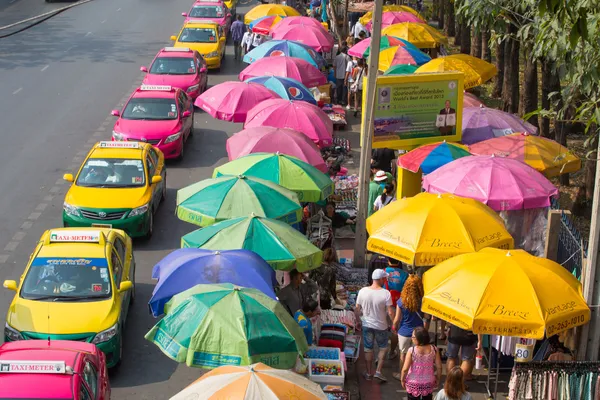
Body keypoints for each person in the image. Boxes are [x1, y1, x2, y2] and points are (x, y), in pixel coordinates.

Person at [355, 269, 395, 382]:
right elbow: (391, 312)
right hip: (381, 326)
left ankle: (368, 373)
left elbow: (357, 309)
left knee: (368, 348)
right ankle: (378, 372)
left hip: (367, 324)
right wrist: (393, 324)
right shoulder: (386, 293)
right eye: (385, 278)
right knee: (383, 348)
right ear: (381, 279)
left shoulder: (362, 291)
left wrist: (358, 321)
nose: (385, 280)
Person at [392, 275, 425, 380]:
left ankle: (402, 375)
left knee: (403, 354)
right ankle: (416, 375)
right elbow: (427, 317)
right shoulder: (422, 301)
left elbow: (397, 319)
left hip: (404, 333)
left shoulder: (401, 302)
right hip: (418, 333)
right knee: (417, 355)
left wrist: (394, 328)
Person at [401, 326, 443, 400]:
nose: (412, 338)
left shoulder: (412, 350)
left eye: (413, 336)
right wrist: (438, 379)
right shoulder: (434, 349)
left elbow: (405, 369)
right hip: (429, 382)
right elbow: (439, 367)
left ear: (419, 339)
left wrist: (402, 379)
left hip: (413, 383)